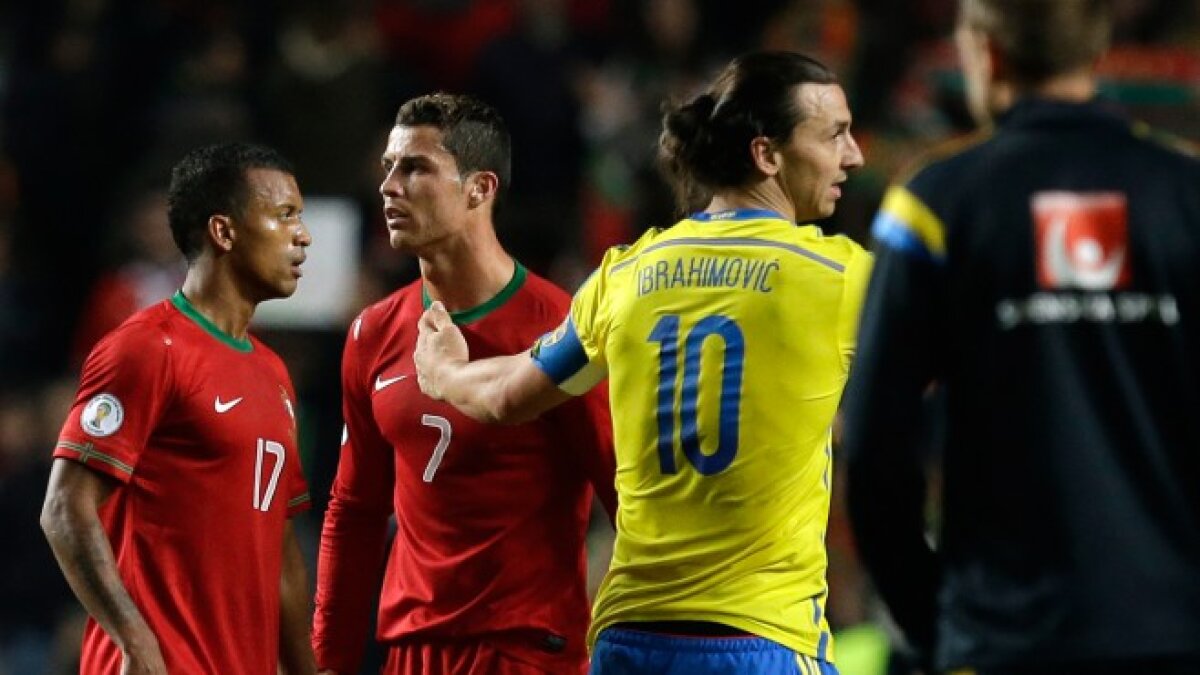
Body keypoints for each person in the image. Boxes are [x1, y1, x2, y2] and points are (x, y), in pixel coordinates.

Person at [414, 51, 868, 675]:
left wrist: (445, 373)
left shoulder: (627, 273)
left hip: (631, 639)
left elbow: (507, 396)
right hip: (760, 636)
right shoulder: (838, 278)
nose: (854, 156)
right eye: (835, 134)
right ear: (767, 155)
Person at [841, 1, 1200, 673]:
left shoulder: (936, 203)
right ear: (1096, 49)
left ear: (986, 50)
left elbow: (874, 445)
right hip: (1175, 632)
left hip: (1005, 635)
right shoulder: (1185, 192)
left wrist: (932, 619)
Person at [311, 93, 617, 675]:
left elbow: (625, 498)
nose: (389, 187)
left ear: (480, 188)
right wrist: (330, 659)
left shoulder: (563, 331)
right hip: (411, 651)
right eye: (388, 168)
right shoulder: (373, 332)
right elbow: (354, 510)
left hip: (523, 651)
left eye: (415, 168)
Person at [40, 142, 316, 675]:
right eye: (284, 215)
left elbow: (280, 554)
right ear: (224, 231)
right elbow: (64, 508)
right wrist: (134, 640)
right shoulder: (147, 348)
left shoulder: (274, 374)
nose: (302, 235)